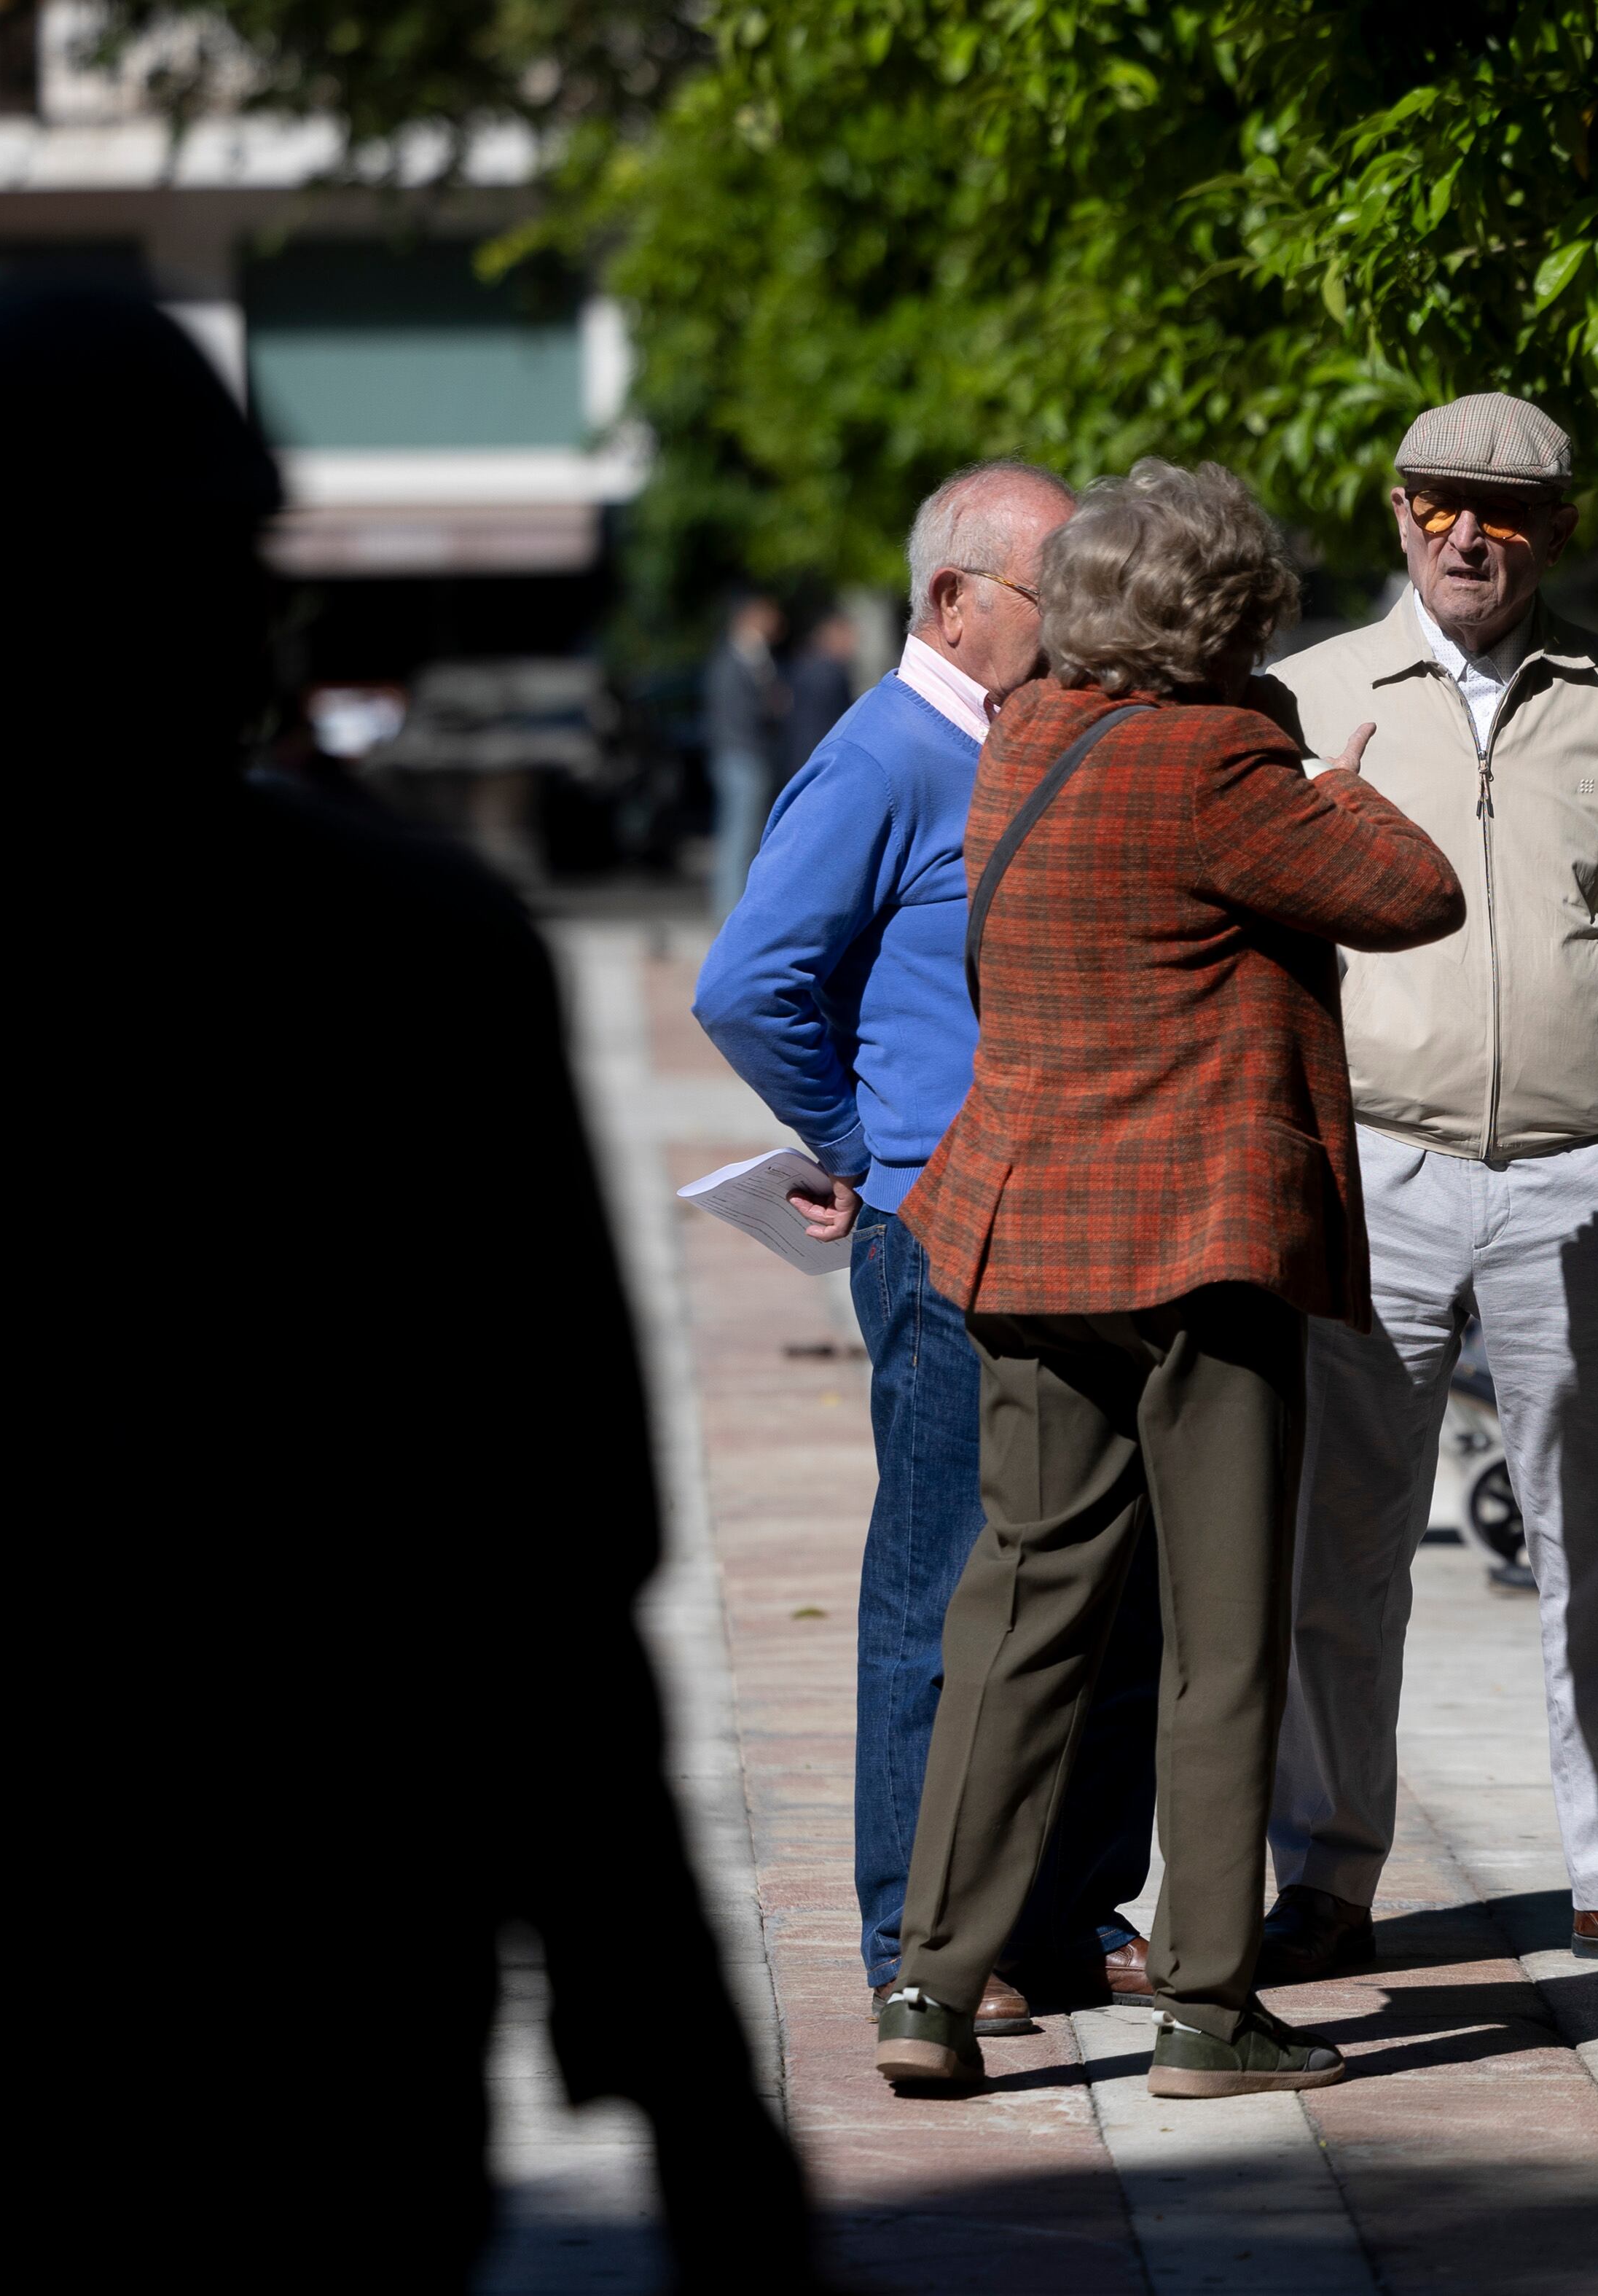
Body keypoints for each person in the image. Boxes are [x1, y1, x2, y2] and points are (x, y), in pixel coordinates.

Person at [0, 288, 798, 2291]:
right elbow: (550, 1568)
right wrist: (690, 2090)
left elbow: (546, 1558)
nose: (267, 614)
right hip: (258, 2012)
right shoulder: (397, 958)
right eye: (226, 550)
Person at [874, 458, 1465, 2098]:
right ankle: (1209, 2008)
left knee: (1014, 1614)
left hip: (1019, 1233)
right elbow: (1417, 892)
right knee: (1220, 1640)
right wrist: (1322, 773)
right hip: (1197, 1249)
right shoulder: (1225, 764)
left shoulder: (1020, 745)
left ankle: (929, 1986)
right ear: (1233, 624)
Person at [1254, 391, 1598, 1982]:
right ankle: (1328, 1878)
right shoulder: (1308, 691)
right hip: (1378, 1175)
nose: (1464, 534)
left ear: (1557, 526)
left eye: (1502, 509)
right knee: (1338, 1554)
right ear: (1397, 514)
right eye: (1435, 504)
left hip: (1579, 1177)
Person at [694, 461, 1164, 2034]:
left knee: (1110, 1585)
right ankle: (915, 1929)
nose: (1085, 623)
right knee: (942, 1580)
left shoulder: (1042, 748)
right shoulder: (885, 757)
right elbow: (750, 984)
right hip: (946, 1233)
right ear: (956, 601)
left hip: (1088, 1223)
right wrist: (858, 1142)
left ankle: (1067, 1910)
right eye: (1059, 593)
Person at [702, 590, 788, 921]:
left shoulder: (750, 657)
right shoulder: (741, 657)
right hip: (742, 756)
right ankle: (729, 910)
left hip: (744, 756)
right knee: (738, 836)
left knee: (744, 835)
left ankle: (733, 907)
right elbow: (749, 710)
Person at [783, 606, 860, 768]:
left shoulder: (803, 663)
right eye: (847, 637)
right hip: (821, 752)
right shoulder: (831, 673)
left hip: (797, 751)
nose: (851, 644)